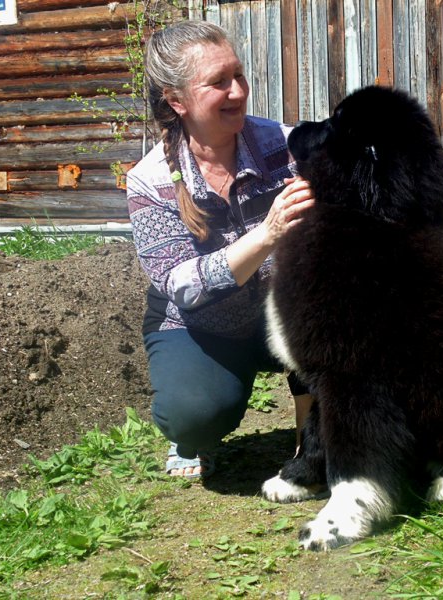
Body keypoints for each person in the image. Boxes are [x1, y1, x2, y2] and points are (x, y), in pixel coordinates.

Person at [126, 20, 315, 479]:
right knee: (196, 412)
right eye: (218, 82)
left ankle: (313, 441)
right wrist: (268, 233)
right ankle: (190, 439)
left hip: (282, 309)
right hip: (202, 325)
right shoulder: (149, 182)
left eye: (239, 76)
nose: (238, 91)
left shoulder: (285, 145)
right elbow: (183, 287)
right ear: (177, 100)